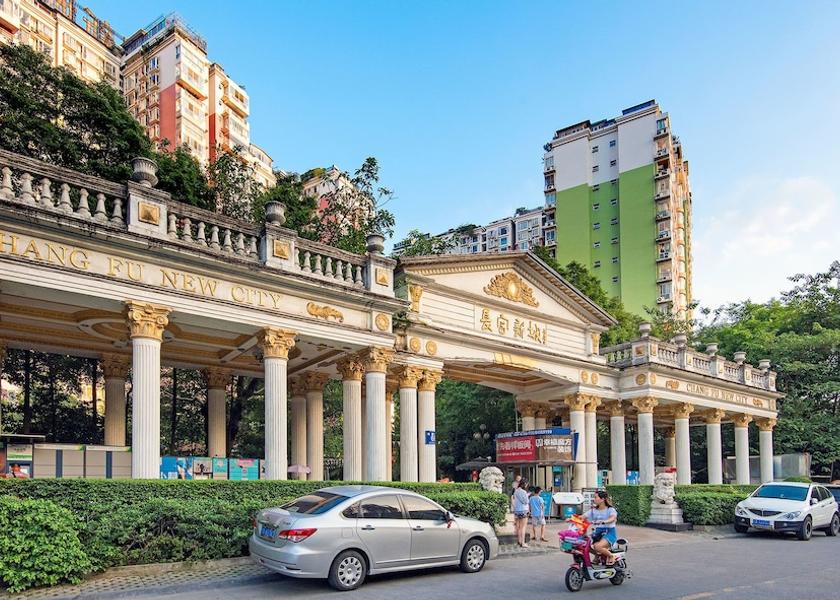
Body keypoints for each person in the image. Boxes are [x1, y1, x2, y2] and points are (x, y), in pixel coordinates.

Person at [584, 490, 618, 565]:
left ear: (602, 499)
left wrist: (604, 521)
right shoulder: (593, 510)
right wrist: (572, 518)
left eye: (596, 497)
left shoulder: (610, 510)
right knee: (584, 544)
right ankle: (597, 555)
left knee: (597, 546)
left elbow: (612, 518)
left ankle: (611, 556)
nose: (594, 499)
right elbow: (583, 516)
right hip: (597, 533)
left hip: (609, 533)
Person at [513, 477, 531, 548]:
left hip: (517, 510)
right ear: (525, 484)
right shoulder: (524, 492)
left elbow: (515, 499)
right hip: (523, 510)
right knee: (523, 527)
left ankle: (519, 541)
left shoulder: (516, 491)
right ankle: (523, 543)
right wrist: (527, 495)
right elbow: (526, 501)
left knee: (518, 527)